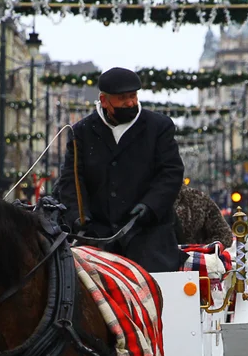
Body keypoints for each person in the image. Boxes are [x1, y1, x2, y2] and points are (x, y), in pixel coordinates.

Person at [54, 66, 185, 272]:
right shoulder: (81, 132)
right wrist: (79, 216)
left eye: (133, 96)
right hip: (99, 240)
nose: (130, 102)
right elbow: (71, 179)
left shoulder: (158, 126)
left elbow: (171, 172)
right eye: (122, 98)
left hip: (149, 237)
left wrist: (149, 206)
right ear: (104, 100)